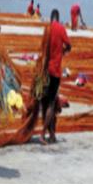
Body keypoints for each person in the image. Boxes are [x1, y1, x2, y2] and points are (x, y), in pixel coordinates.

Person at [40, 9, 71, 145]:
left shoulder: (47, 29)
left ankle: (52, 134)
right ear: (58, 18)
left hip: (45, 71)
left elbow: (43, 49)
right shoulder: (60, 28)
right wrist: (62, 51)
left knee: (45, 103)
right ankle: (42, 134)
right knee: (52, 104)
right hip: (55, 71)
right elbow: (69, 45)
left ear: (51, 18)